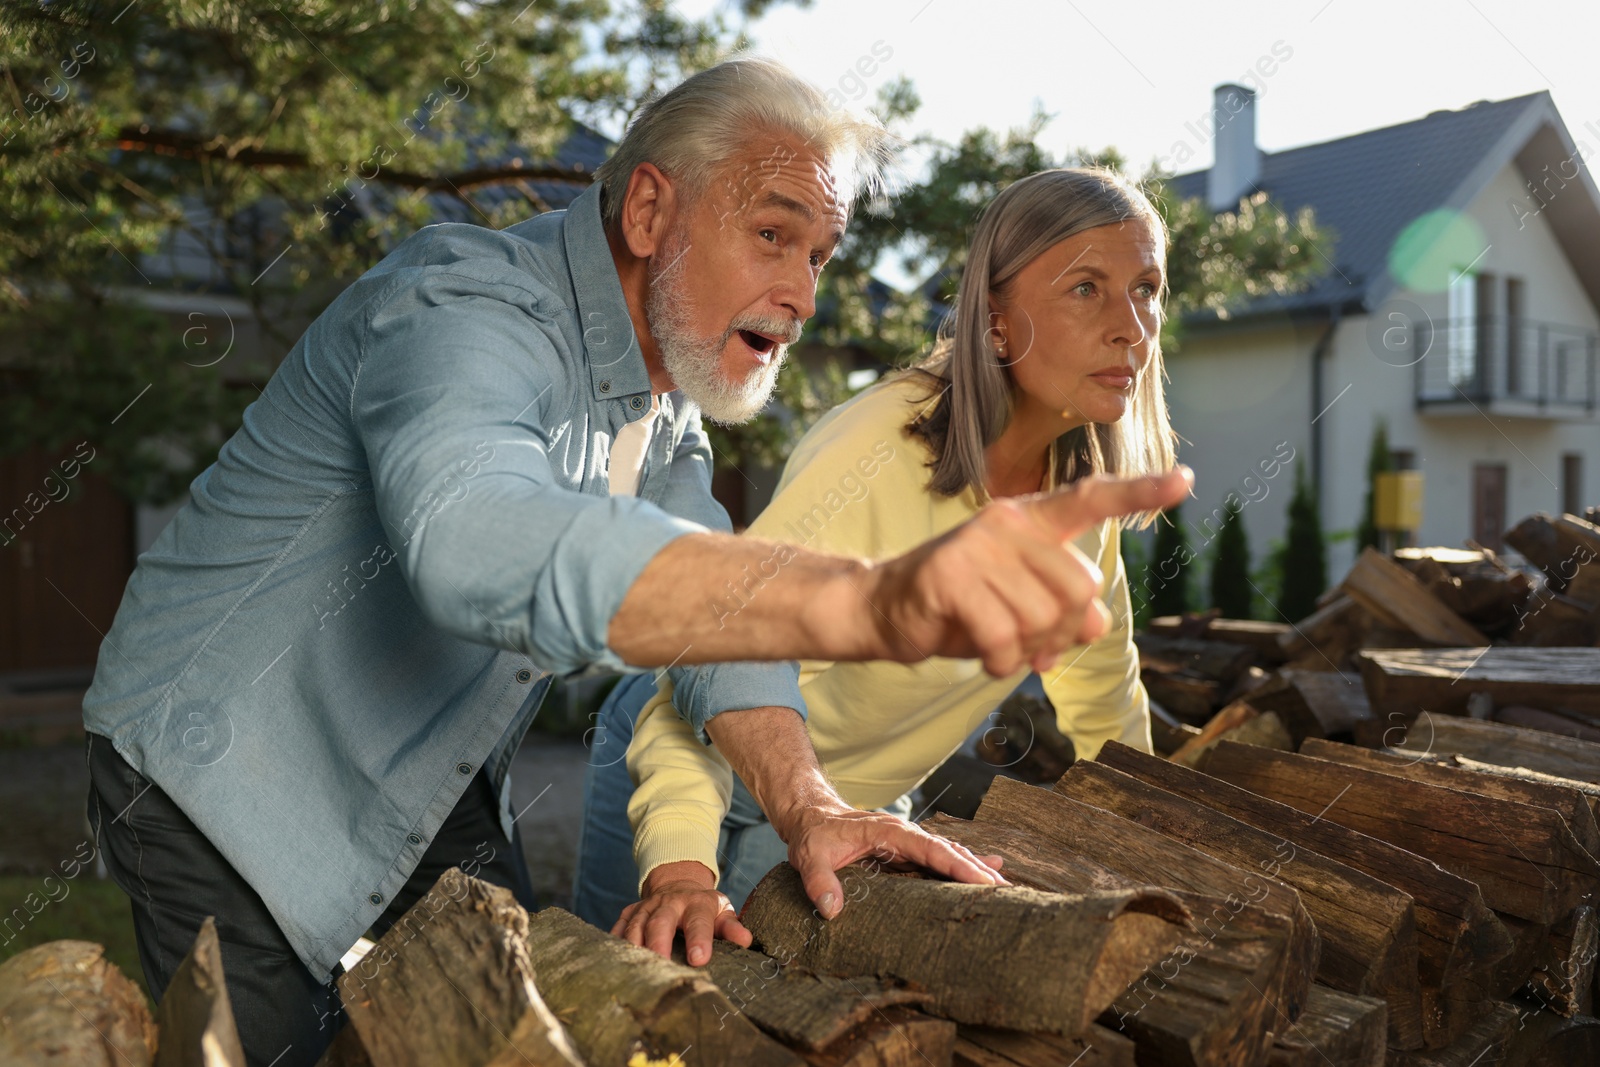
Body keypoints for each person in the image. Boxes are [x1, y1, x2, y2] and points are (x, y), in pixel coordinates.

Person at [82, 54, 1187, 1063]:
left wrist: (806, 804)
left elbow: (720, 630)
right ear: (654, 208)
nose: (802, 293)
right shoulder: (463, 302)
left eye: (819, 254)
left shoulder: (667, 417)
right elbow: (472, 535)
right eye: (772, 234)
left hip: (420, 782)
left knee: (512, 1031)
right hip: (218, 768)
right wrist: (869, 600)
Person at [572, 166, 1179, 966]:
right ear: (995, 319)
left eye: (1147, 288)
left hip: (850, 805)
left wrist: (1167, 846)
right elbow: (705, 658)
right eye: (1086, 289)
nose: (1132, 326)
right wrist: (682, 868)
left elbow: (1102, 696)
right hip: (693, 769)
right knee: (626, 1015)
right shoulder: (874, 452)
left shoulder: (1077, 493)